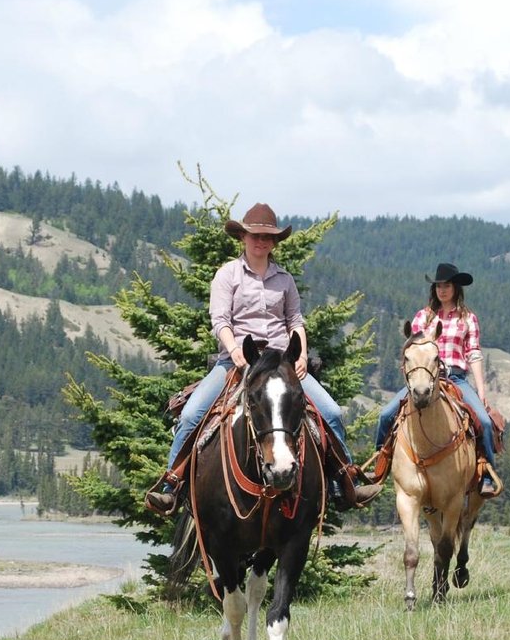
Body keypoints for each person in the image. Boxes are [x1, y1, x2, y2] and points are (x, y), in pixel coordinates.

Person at [145, 203, 380, 514]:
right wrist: (234, 351)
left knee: (332, 413)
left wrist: (302, 354)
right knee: (191, 415)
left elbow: (295, 320)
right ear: (244, 237)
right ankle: (171, 486)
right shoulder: (227, 275)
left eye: (267, 237)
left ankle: (344, 482)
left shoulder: (285, 280)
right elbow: (220, 321)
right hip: (236, 361)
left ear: (274, 242)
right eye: (255, 236)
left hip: (282, 363)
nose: (261, 242)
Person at [373, 263, 498, 498]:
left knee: (484, 421)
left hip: (456, 379)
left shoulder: (468, 318)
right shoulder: (423, 316)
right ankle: (380, 464)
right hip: (424, 378)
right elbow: (412, 348)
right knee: (386, 415)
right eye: (438, 286)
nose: (442, 290)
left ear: (455, 288)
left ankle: (486, 472)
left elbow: (473, 353)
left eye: (447, 285)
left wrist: (481, 390)